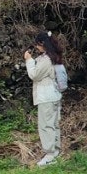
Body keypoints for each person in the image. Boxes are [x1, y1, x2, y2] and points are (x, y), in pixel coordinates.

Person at [25, 30, 64, 166]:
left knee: (46, 125)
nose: (36, 47)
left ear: (42, 44)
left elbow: (34, 75)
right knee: (53, 124)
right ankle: (56, 151)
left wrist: (29, 61)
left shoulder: (47, 60)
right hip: (54, 95)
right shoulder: (52, 57)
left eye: (37, 45)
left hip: (46, 97)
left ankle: (49, 155)